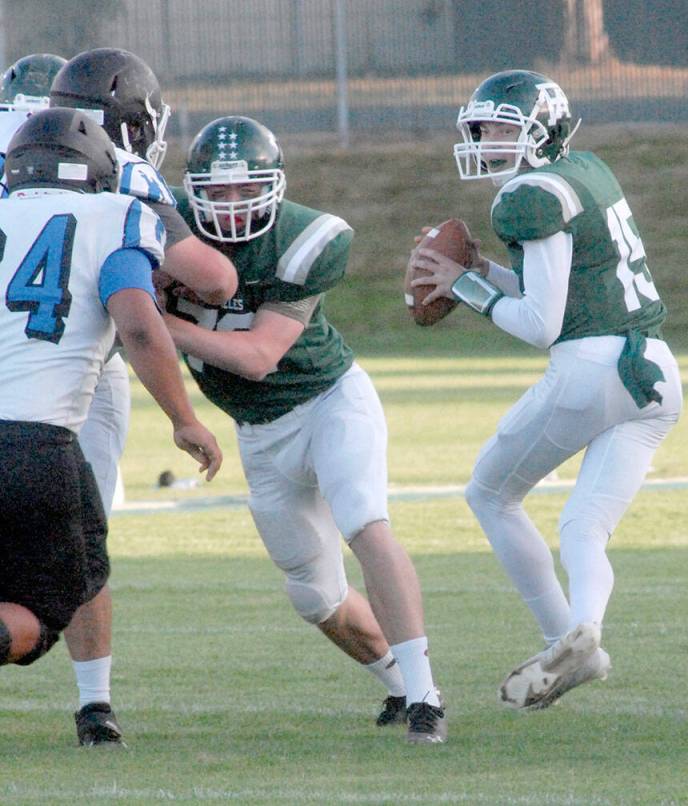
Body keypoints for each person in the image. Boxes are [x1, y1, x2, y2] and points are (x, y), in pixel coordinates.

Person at [162, 115, 446, 744]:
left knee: (365, 523)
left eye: (246, 189)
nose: (232, 204)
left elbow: (259, 356)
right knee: (314, 597)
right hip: (258, 430)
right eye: (218, 191)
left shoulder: (304, 237)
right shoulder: (160, 224)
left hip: (328, 402)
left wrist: (149, 325)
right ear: (191, 191)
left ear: (276, 185)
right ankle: (399, 684)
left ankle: (427, 695)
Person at [409, 70, 682, 709]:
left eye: (506, 128)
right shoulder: (587, 171)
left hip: (592, 368)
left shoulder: (529, 194)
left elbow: (540, 323)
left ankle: (561, 632)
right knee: (584, 527)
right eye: (485, 129)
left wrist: (463, 286)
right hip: (658, 374)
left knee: (490, 495)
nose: (490, 141)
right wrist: (481, 270)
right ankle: (586, 633)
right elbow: (552, 287)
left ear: (542, 131)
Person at [42, 47, 238, 746]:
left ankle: (93, 700)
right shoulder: (125, 176)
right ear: (130, 124)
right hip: (80, 373)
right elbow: (213, 279)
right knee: (80, 537)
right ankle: (95, 703)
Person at [0, 108, 221, 675]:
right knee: (47, 611)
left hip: (36, 439)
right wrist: (184, 418)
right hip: (33, 442)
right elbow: (140, 326)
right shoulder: (114, 214)